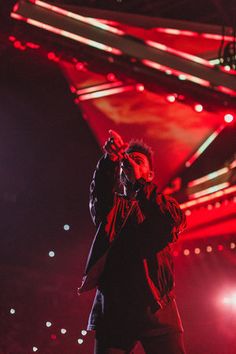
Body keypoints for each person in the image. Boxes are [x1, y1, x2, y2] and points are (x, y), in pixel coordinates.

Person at [78, 130, 187, 354]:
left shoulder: (164, 205)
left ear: (150, 174)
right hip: (115, 311)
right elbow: (99, 194)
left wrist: (139, 185)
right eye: (126, 160)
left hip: (157, 308)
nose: (130, 162)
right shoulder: (112, 207)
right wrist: (110, 160)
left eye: (138, 161)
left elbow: (169, 224)